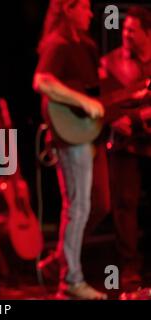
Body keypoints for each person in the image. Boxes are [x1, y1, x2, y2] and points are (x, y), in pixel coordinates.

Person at [33, 0, 108, 299]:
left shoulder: (85, 44)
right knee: (77, 207)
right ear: (68, 9)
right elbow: (42, 81)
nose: (90, 13)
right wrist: (83, 102)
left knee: (94, 204)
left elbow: (95, 90)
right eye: (85, 7)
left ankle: (60, 263)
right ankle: (71, 279)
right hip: (70, 137)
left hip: (86, 134)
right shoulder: (58, 42)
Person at [98, 6, 151, 291]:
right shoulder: (110, 62)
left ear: (147, 32)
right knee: (124, 205)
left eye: (132, 30)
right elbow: (102, 105)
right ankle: (128, 269)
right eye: (124, 29)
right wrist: (125, 120)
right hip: (123, 143)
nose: (126, 34)